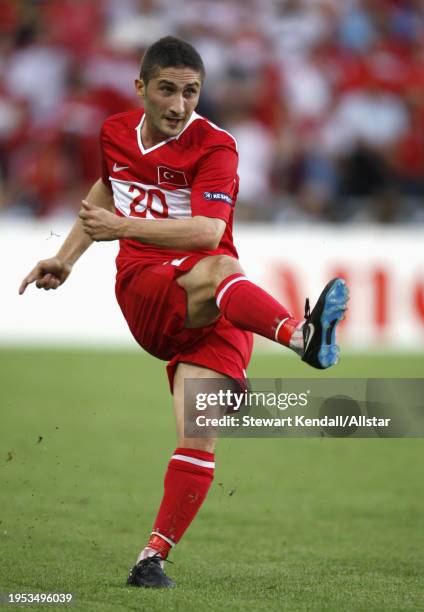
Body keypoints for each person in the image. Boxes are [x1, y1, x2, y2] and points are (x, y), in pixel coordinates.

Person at [19, 36, 349, 589]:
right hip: (148, 288)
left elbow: (207, 230)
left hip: (215, 309)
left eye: (191, 92)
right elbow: (108, 188)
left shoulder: (216, 145)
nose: (179, 105)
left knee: (199, 435)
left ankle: (151, 559)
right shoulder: (115, 133)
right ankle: (299, 336)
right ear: (141, 88)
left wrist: (118, 226)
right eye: (167, 90)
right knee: (222, 269)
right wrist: (66, 257)